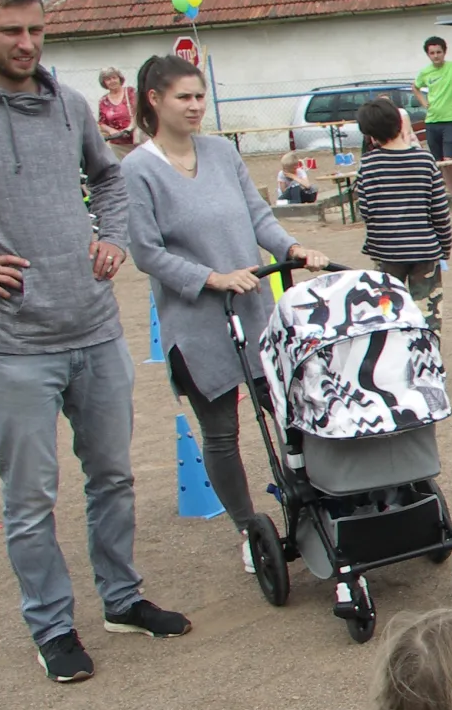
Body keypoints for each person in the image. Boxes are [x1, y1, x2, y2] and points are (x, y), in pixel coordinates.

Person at [0, 0, 191, 683]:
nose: (26, 43)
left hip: (94, 329)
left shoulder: (68, 104)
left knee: (113, 476)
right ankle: (52, 626)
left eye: (36, 29)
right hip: (14, 345)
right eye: (10, 31)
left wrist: (114, 238)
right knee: (31, 498)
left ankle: (122, 600)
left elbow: (110, 178)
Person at [122, 55, 329, 572]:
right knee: (220, 432)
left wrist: (291, 248)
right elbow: (146, 252)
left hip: (253, 308)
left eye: (200, 96)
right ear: (155, 100)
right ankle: (249, 528)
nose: (196, 106)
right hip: (196, 321)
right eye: (184, 97)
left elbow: (258, 216)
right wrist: (210, 278)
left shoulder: (221, 152)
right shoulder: (137, 169)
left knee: (291, 414)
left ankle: (315, 505)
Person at [354, 95, 451, 332]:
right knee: (427, 311)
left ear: (370, 135)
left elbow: (365, 211)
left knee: (388, 312)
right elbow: (440, 210)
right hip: (424, 250)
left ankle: (394, 351)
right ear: (400, 124)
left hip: (386, 251)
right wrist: (444, 247)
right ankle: (428, 351)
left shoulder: (368, 164)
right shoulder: (425, 161)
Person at [414, 35, 452, 195]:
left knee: (449, 160)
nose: (436, 56)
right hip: (432, 121)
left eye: (438, 52)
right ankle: (449, 193)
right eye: (432, 53)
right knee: (439, 162)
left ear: (444, 52)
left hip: (450, 120)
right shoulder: (425, 72)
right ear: (428, 54)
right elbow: (415, 87)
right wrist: (423, 102)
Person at [96, 67, 134, 155]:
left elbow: (139, 111)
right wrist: (111, 130)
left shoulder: (131, 92)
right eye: (108, 79)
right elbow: (101, 123)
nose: (112, 81)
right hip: (118, 145)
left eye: (114, 78)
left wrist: (130, 127)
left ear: (120, 79)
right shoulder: (103, 101)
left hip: (136, 141)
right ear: (104, 83)